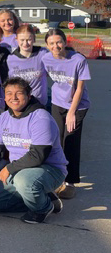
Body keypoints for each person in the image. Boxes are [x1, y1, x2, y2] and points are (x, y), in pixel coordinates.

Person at [0, 78, 67, 224]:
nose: (13, 97)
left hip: (49, 170)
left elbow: (38, 155)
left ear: (28, 95)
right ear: (4, 97)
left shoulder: (41, 118)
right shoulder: (4, 118)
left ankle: (42, 208)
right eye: (9, 93)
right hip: (20, 170)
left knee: (25, 181)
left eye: (19, 93)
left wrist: (9, 168)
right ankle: (45, 197)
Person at [42, 28, 91, 199]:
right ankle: (58, 177)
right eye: (51, 43)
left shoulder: (78, 60)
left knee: (70, 140)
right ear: (47, 45)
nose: (56, 46)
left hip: (78, 106)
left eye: (58, 42)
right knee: (57, 140)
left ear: (65, 41)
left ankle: (70, 181)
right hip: (57, 102)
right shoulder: (46, 58)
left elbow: (79, 89)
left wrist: (71, 113)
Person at [7, 24, 48, 105]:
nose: (25, 43)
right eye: (22, 40)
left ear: (34, 39)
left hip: (39, 102)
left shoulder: (42, 54)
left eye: (28, 40)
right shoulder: (10, 58)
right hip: (19, 103)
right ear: (17, 40)